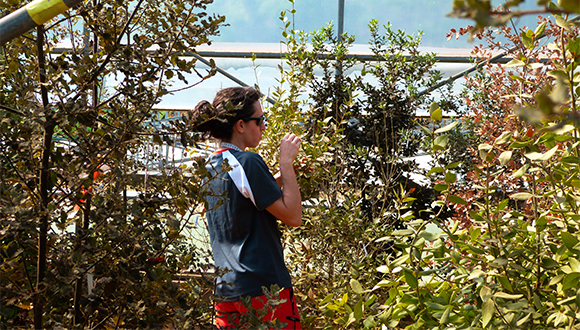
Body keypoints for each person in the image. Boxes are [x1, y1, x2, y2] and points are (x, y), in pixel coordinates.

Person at [192, 86, 302, 329]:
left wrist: (280, 178)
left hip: (227, 291)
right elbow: (293, 216)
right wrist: (286, 163)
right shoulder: (248, 161)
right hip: (265, 292)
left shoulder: (210, 167)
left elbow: (246, 197)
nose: (264, 126)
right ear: (240, 125)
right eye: (260, 120)